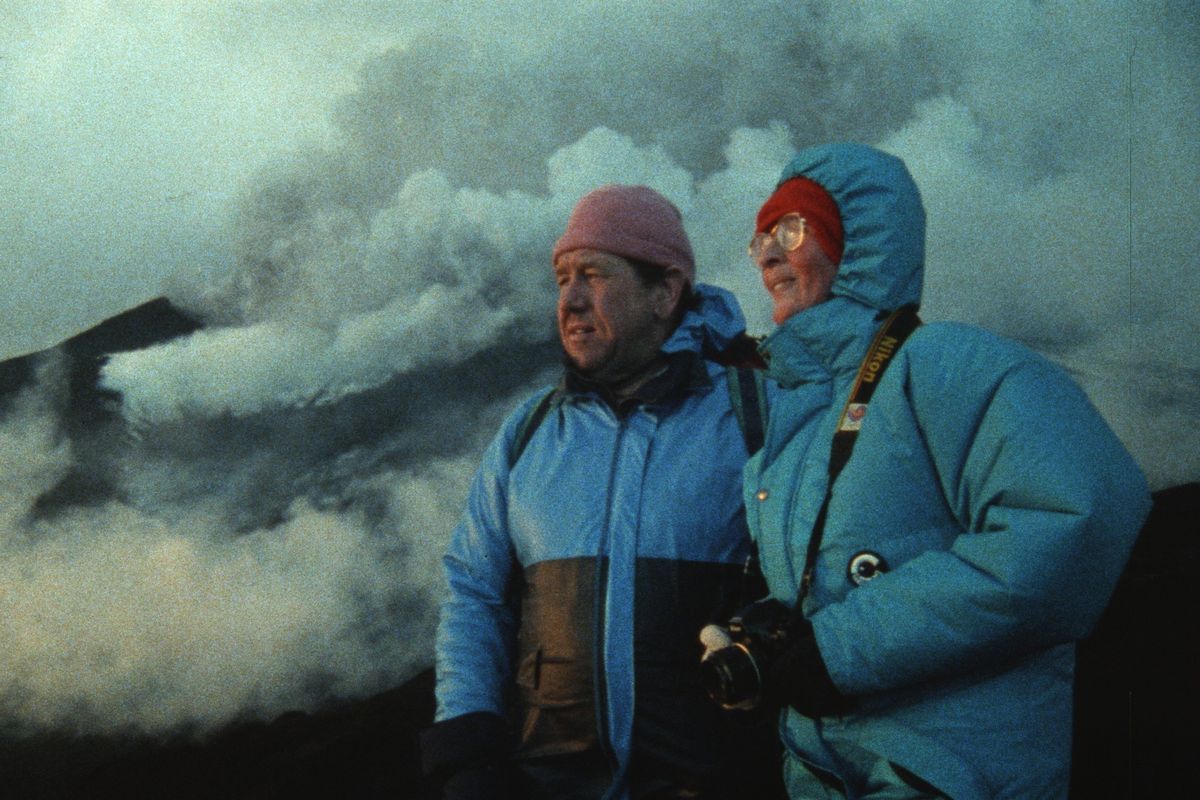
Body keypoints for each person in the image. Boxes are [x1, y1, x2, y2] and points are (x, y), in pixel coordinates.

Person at [710, 143, 1151, 799]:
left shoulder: (945, 365)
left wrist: (838, 650)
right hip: (825, 775)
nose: (769, 254)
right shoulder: (796, 428)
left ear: (858, 244)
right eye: (760, 240)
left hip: (950, 775)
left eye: (792, 230)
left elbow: (1077, 516)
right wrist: (779, 638)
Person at [422, 184, 783, 799]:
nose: (570, 299)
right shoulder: (529, 430)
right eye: (562, 278)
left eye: (592, 274)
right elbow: (474, 590)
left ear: (664, 293)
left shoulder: (755, 416)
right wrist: (469, 744)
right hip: (542, 784)